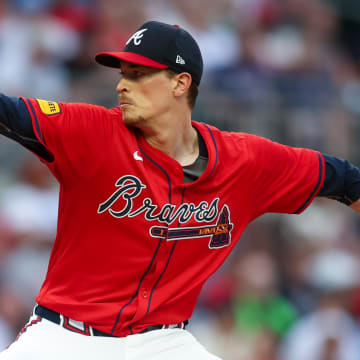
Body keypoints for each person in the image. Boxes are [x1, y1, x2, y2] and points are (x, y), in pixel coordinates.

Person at [0, 20, 360, 360]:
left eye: (138, 75)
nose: (121, 85)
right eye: (123, 75)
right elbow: (8, 112)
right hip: (66, 335)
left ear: (180, 83)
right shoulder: (90, 131)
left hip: (163, 342)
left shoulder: (245, 161)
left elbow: (344, 179)